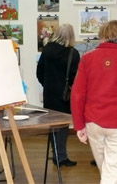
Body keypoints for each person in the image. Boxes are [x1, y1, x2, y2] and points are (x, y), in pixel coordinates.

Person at [70, 20, 117, 184]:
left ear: (103, 36)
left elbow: (77, 95)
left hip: (93, 123)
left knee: (107, 173)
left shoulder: (88, 58)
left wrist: (79, 125)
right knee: (110, 173)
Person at [36, 23, 80, 167]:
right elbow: (75, 78)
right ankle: (60, 157)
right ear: (71, 36)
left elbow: (39, 72)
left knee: (53, 125)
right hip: (64, 95)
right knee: (62, 126)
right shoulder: (73, 53)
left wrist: (47, 85)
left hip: (49, 94)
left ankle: (55, 153)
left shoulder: (47, 49)